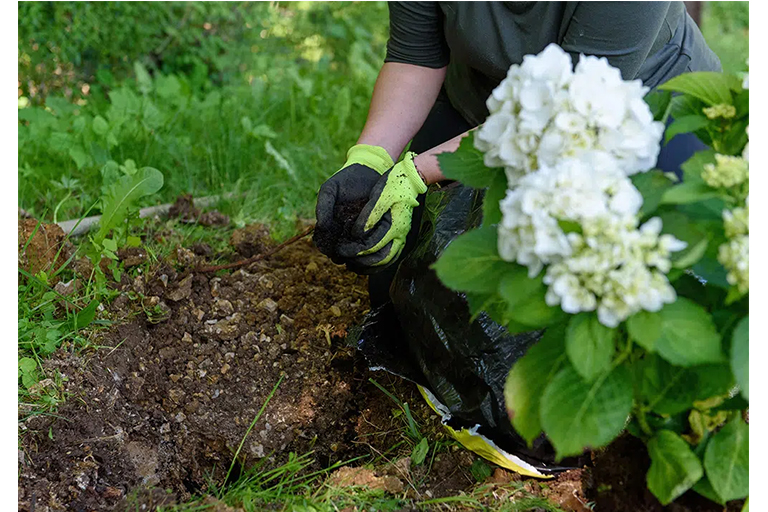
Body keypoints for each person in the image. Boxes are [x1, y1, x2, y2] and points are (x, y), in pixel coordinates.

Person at [313, 2, 722, 306]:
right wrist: (371, 158)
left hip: (633, 109)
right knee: (401, 288)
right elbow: (414, 56)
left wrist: (419, 173)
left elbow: (571, 107)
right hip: (484, 98)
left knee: (633, 289)